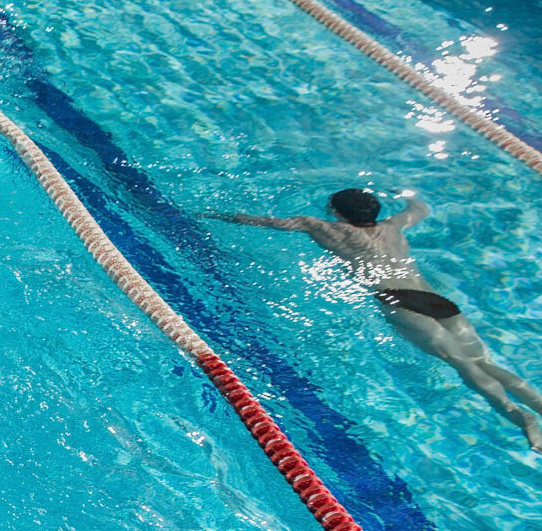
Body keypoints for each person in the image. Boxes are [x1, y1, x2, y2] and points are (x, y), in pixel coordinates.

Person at [214, 187, 542, 450]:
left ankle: (520, 417)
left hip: (398, 302)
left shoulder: (322, 227)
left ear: (337, 212)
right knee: (481, 358)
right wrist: (406, 192)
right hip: (437, 301)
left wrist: (215, 214)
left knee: (461, 363)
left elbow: (262, 221)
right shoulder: (392, 225)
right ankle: (537, 404)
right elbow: (420, 209)